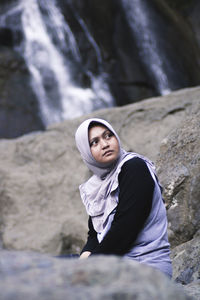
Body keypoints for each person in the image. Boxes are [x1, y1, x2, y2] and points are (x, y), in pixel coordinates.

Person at [75, 118, 172, 278]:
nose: (105, 144)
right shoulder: (99, 185)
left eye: (108, 136)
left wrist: (87, 269)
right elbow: (94, 234)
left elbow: (125, 230)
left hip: (146, 268)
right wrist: (84, 257)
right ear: (86, 152)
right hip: (117, 266)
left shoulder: (134, 168)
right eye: (94, 142)